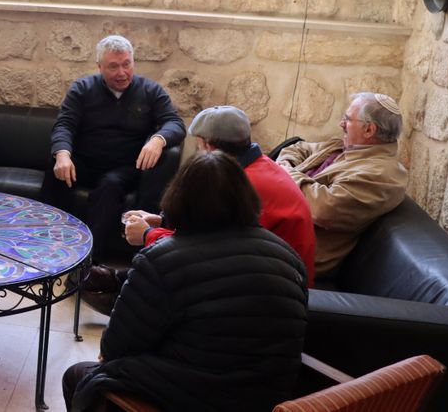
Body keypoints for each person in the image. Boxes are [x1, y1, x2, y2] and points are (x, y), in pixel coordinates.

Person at [62, 152, 308, 412]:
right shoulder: (288, 256)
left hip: (196, 396)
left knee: (78, 376)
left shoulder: (163, 258)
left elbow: (115, 348)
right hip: (269, 399)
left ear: (178, 199)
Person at [127, 105, 315, 286]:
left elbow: (205, 250)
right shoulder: (259, 166)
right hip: (276, 275)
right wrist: (162, 223)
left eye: (198, 144)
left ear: (208, 146)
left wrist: (148, 235)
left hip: (271, 286)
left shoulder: (241, 185)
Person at [41, 35, 185, 258]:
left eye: (127, 64)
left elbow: (175, 123)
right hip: (85, 162)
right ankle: (46, 243)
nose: (122, 72)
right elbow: (64, 125)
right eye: (113, 66)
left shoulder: (150, 91)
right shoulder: (82, 89)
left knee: (110, 185)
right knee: (56, 166)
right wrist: (62, 154)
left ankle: (89, 259)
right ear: (99, 67)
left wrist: (158, 140)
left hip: (123, 168)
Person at [276, 92, 408, 278]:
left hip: (293, 254)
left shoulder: (382, 174)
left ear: (369, 130)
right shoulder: (344, 147)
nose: (341, 124)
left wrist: (285, 174)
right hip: (277, 229)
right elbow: (297, 148)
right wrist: (286, 166)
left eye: (347, 119)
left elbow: (324, 207)